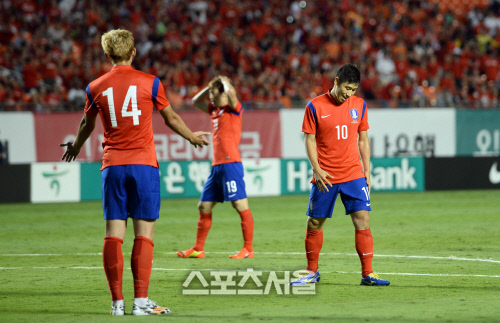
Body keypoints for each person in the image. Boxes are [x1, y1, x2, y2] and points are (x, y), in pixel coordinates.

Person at [60, 29, 210, 315]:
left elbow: (86, 125)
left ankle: (117, 304)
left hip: (112, 166)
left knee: (113, 234)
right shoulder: (150, 83)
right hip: (143, 165)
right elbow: (171, 117)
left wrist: (76, 147)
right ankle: (141, 302)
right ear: (134, 52)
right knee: (144, 234)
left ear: (107, 55)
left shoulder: (95, 87)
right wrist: (191, 137)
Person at [290, 64, 390, 286]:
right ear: (336, 82)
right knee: (315, 222)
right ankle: (311, 272)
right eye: (346, 88)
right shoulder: (314, 106)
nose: (349, 93)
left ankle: (368, 274)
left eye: (353, 89)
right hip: (326, 175)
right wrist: (316, 168)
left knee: (363, 218)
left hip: (353, 173)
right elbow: (309, 140)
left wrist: (367, 172)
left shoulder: (360, 105)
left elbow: (363, 140)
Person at [176, 76, 254, 259]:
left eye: (213, 93)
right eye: (210, 93)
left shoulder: (234, 109)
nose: (210, 97)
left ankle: (248, 249)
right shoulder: (214, 110)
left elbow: (232, 94)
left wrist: (224, 81)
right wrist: (210, 86)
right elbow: (196, 101)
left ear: (224, 93)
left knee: (240, 204)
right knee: (204, 206)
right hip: (216, 166)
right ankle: (198, 248)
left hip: (230, 164)